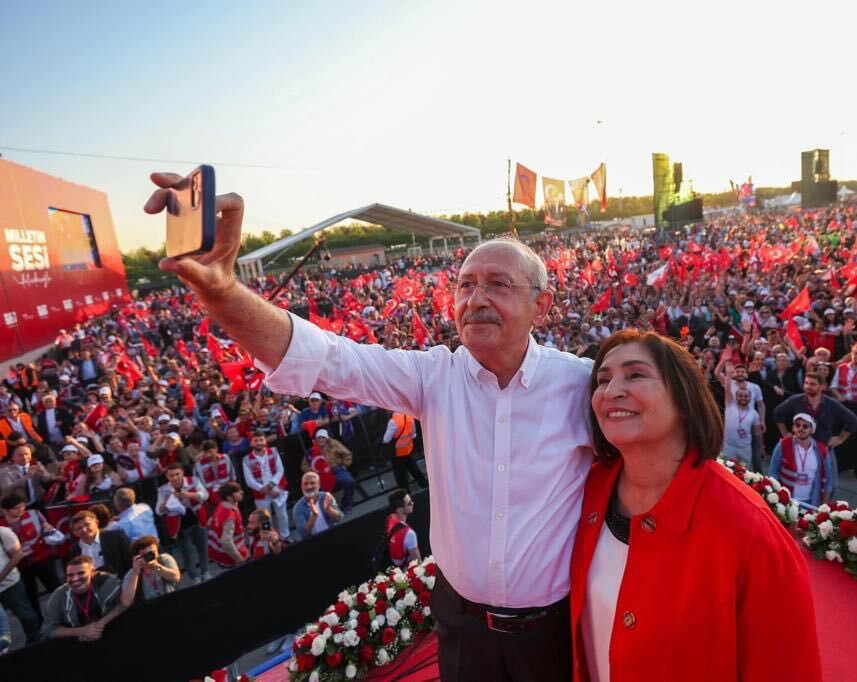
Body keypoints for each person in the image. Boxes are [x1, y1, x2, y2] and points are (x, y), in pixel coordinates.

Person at [148, 173, 594, 680]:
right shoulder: (433, 377)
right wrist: (224, 292)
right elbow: (327, 359)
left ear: (544, 304)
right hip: (461, 627)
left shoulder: (583, 387)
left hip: (556, 629)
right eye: (466, 285)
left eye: (498, 284)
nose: (477, 298)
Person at [572, 330, 820, 681]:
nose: (611, 392)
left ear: (684, 398)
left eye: (636, 374)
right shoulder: (587, 488)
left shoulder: (749, 528)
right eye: (603, 379)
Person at [0, 492, 63, 617]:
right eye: (16, 508)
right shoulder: (2, 525)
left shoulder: (34, 514)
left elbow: (47, 528)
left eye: (23, 506)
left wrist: (48, 528)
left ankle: (66, 614)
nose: (21, 510)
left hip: (43, 558)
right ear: (6, 510)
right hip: (21, 565)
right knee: (30, 596)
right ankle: (39, 627)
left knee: (56, 588)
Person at [41, 555, 124, 640]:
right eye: (70, 575)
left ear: (92, 572)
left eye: (81, 573)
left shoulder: (106, 581)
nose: (75, 579)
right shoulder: (59, 595)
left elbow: (125, 603)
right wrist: (82, 631)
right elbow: (48, 629)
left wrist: (101, 623)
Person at [156, 463, 211, 582]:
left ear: (182, 472)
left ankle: (205, 571)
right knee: (188, 553)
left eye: (177, 474)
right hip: (179, 526)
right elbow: (158, 511)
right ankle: (194, 576)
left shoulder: (194, 481)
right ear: (167, 476)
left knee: (203, 548)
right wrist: (167, 503)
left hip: (198, 520)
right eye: (171, 475)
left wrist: (189, 495)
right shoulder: (163, 489)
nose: (175, 478)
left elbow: (205, 495)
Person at [768, 413, 835, 506]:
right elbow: (773, 472)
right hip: (785, 500)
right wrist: (774, 496)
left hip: (811, 502)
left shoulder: (822, 450)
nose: (801, 428)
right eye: (797, 425)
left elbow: (828, 481)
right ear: (793, 428)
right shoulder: (783, 444)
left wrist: (824, 505)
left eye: (805, 426)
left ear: (812, 430)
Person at [241, 433, 290, 540]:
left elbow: (280, 470)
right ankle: (270, 542)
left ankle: (285, 537)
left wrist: (271, 486)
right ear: (251, 443)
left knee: (282, 515)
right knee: (265, 520)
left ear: (265, 441)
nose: (259, 443)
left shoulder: (273, 451)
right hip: (260, 494)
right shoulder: (246, 459)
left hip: (277, 489)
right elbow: (249, 481)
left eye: (261, 440)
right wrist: (265, 490)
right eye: (256, 440)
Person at [0, 523, 41, 644]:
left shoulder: (3, 532)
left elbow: (18, 554)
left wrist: (1, 576)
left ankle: (35, 641)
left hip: (10, 585)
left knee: (25, 615)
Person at [67, 510, 132, 578]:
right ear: (74, 533)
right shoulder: (75, 549)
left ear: (96, 523)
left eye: (87, 524)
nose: (84, 530)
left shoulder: (116, 537)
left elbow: (130, 562)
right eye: (79, 528)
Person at [119, 535, 180, 606]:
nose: (150, 557)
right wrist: (135, 573)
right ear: (138, 557)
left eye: (153, 552)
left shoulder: (164, 560)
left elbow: (176, 577)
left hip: (171, 603)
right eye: (145, 555)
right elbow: (126, 602)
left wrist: (157, 566)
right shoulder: (132, 574)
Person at [311, 429, 355, 513]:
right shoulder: (313, 450)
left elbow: (347, 454)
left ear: (327, 438)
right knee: (319, 491)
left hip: (337, 469)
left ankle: (347, 503)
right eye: (319, 438)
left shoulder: (334, 444)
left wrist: (345, 465)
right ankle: (329, 510)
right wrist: (315, 474)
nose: (321, 440)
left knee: (350, 481)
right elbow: (305, 465)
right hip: (323, 474)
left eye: (323, 437)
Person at [383, 411, 427, 491]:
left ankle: (406, 493)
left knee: (400, 476)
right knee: (414, 468)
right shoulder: (409, 416)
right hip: (408, 449)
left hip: (397, 453)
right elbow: (414, 434)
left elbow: (386, 439)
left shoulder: (393, 421)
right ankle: (424, 484)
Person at [207, 482, 248, 568]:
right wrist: (239, 559)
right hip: (230, 557)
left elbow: (210, 523)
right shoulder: (230, 516)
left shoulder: (221, 506)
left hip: (219, 553)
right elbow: (226, 541)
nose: (241, 492)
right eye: (237, 491)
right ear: (229, 498)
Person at [292, 471, 342, 541]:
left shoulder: (327, 496)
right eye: (305, 484)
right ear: (301, 486)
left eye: (312, 483)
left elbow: (339, 518)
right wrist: (314, 516)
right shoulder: (297, 508)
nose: (309, 487)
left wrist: (329, 510)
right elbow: (303, 533)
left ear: (319, 484)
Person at [0, 443, 54, 507]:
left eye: (26, 454)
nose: (24, 457)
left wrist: (43, 473)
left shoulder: (37, 466)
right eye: (20, 455)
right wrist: (26, 477)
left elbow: (47, 480)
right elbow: (6, 489)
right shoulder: (5, 471)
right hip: (16, 506)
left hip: (37, 503)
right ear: (13, 457)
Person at [384, 488, 419, 569]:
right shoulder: (409, 533)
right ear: (400, 510)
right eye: (409, 503)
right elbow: (418, 563)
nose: (413, 503)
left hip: (394, 568)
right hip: (407, 571)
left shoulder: (389, 518)